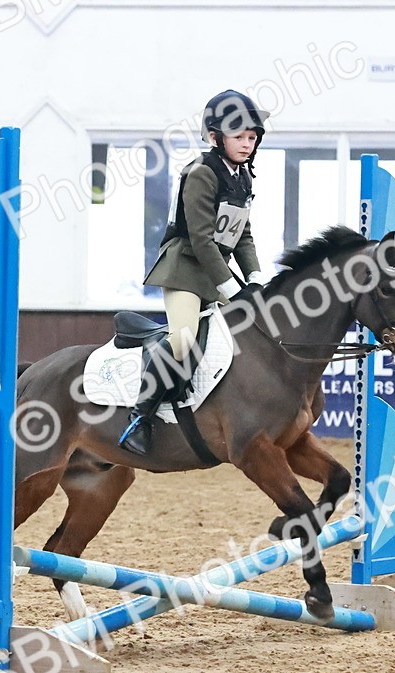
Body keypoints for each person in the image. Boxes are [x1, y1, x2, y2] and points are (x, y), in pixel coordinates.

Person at [118, 89, 268, 455]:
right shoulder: (202, 173)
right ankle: (141, 417)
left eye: (252, 137)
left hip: (213, 272)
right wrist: (233, 289)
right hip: (184, 269)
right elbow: (202, 241)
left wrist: (257, 279)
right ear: (216, 137)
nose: (247, 144)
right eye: (239, 137)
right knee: (183, 340)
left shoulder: (242, 177)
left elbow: (241, 234)